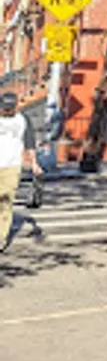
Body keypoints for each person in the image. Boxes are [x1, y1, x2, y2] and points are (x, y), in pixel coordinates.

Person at [0, 92, 42, 252]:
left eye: (9, 109)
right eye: (4, 109)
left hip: (11, 166)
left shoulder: (23, 120)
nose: (6, 111)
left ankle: (1, 237)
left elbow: (29, 142)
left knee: (5, 202)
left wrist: (34, 163)